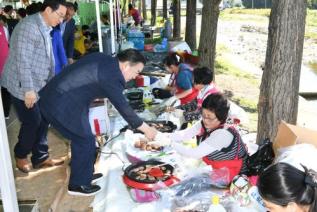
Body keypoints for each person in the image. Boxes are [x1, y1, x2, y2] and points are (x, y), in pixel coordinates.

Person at [38, 49, 158, 196]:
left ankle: (85, 175)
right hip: (59, 102)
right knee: (84, 139)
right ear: (126, 65)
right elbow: (124, 108)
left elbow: (86, 76)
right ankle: (77, 185)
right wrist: (146, 129)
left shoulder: (104, 58)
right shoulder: (113, 76)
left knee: (87, 138)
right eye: (136, 71)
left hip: (62, 96)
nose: (135, 76)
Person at [0, 0, 67, 173]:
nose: (61, 20)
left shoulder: (45, 26)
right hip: (21, 83)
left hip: (39, 82)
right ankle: (20, 154)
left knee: (44, 118)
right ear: (47, 10)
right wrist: (28, 91)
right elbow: (23, 61)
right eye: (59, 15)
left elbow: (46, 57)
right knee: (33, 121)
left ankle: (40, 157)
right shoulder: (28, 27)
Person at [152, 93, 248, 182]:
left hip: (234, 177)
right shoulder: (206, 122)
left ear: (221, 117)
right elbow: (185, 135)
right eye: (203, 115)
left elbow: (194, 153)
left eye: (209, 117)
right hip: (216, 170)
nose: (205, 120)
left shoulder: (223, 134)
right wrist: (157, 135)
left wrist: (170, 143)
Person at [0, 15, 10, 119]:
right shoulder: (4, 29)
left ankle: (6, 113)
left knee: (5, 89)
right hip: (4, 64)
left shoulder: (4, 29)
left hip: (4, 65)